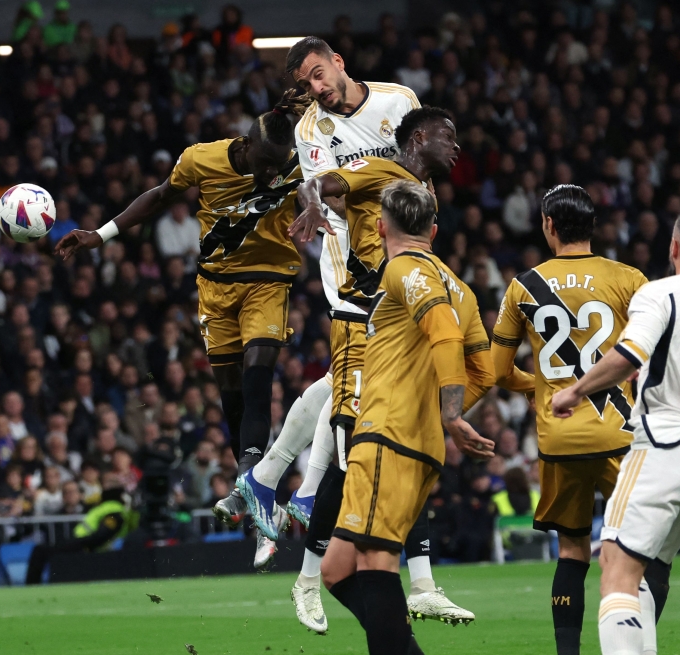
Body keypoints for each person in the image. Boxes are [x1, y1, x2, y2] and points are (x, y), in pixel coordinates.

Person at [55, 94, 308, 566]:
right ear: (246, 146)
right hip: (215, 290)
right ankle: (252, 488)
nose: (273, 175)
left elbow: (326, 181)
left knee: (259, 371)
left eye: (280, 167)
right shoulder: (202, 158)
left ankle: (255, 482)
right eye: (267, 165)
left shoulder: (294, 163)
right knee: (231, 394)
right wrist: (101, 234)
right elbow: (159, 197)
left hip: (268, 282)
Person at [236, 37, 427, 614]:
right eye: (309, 83)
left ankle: (269, 475)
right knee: (363, 389)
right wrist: (314, 205)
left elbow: (417, 176)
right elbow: (319, 190)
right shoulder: (312, 130)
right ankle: (313, 499)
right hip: (352, 270)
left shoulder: (398, 101)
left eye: (322, 74)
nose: (319, 89)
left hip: (402, 257)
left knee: (351, 383)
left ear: (340, 62)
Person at [284, 106, 490, 630]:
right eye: (449, 135)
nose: (457, 147)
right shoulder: (379, 171)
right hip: (358, 320)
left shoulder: (422, 197)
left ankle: (418, 583)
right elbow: (317, 184)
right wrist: (311, 208)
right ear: (418, 137)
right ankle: (310, 578)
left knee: (402, 446)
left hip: (394, 326)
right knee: (360, 446)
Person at [551, 204, 680, 655]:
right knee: (643, 575)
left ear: (674, 246)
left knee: (615, 568)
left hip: (666, 446)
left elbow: (630, 352)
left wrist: (575, 391)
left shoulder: (660, 292)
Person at [320, 180, 496, 655]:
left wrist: (452, 415)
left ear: (379, 228)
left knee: (376, 563)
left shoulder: (402, 269)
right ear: (434, 230)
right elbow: (486, 370)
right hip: (416, 444)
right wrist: (441, 417)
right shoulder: (461, 288)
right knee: (336, 570)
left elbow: (441, 331)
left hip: (386, 435)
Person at [490, 184, 648, 655]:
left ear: (548, 225)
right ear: (592, 227)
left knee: (573, 552)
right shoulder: (629, 279)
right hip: (620, 434)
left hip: (559, 439)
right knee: (641, 550)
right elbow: (649, 355)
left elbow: (498, 372)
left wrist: (544, 388)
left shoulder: (523, 286)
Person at [25, 478, 137, 584]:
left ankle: (30, 586)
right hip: (80, 543)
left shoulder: (113, 510)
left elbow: (102, 535)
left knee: (40, 551)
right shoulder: (103, 507)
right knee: (41, 550)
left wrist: (84, 544)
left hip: (84, 546)